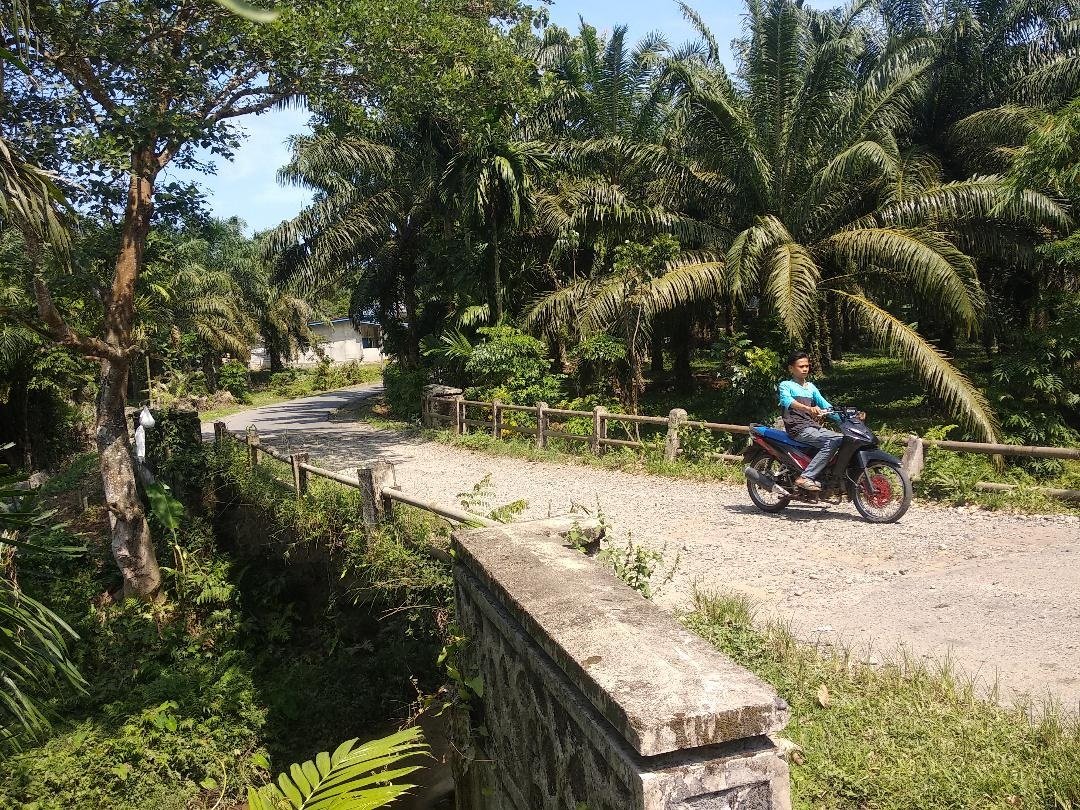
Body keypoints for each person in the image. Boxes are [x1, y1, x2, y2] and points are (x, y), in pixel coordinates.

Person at [778, 351, 842, 492]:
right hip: (798, 428)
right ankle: (806, 477)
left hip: (812, 427)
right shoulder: (786, 385)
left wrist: (846, 418)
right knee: (831, 441)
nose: (805, 369)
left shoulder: (811, 387)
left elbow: (826, 406)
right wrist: (808, 408)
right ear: (791, 368)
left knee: (842, 439)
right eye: (801, 366)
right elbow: (787, 401)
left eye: (807, 366)